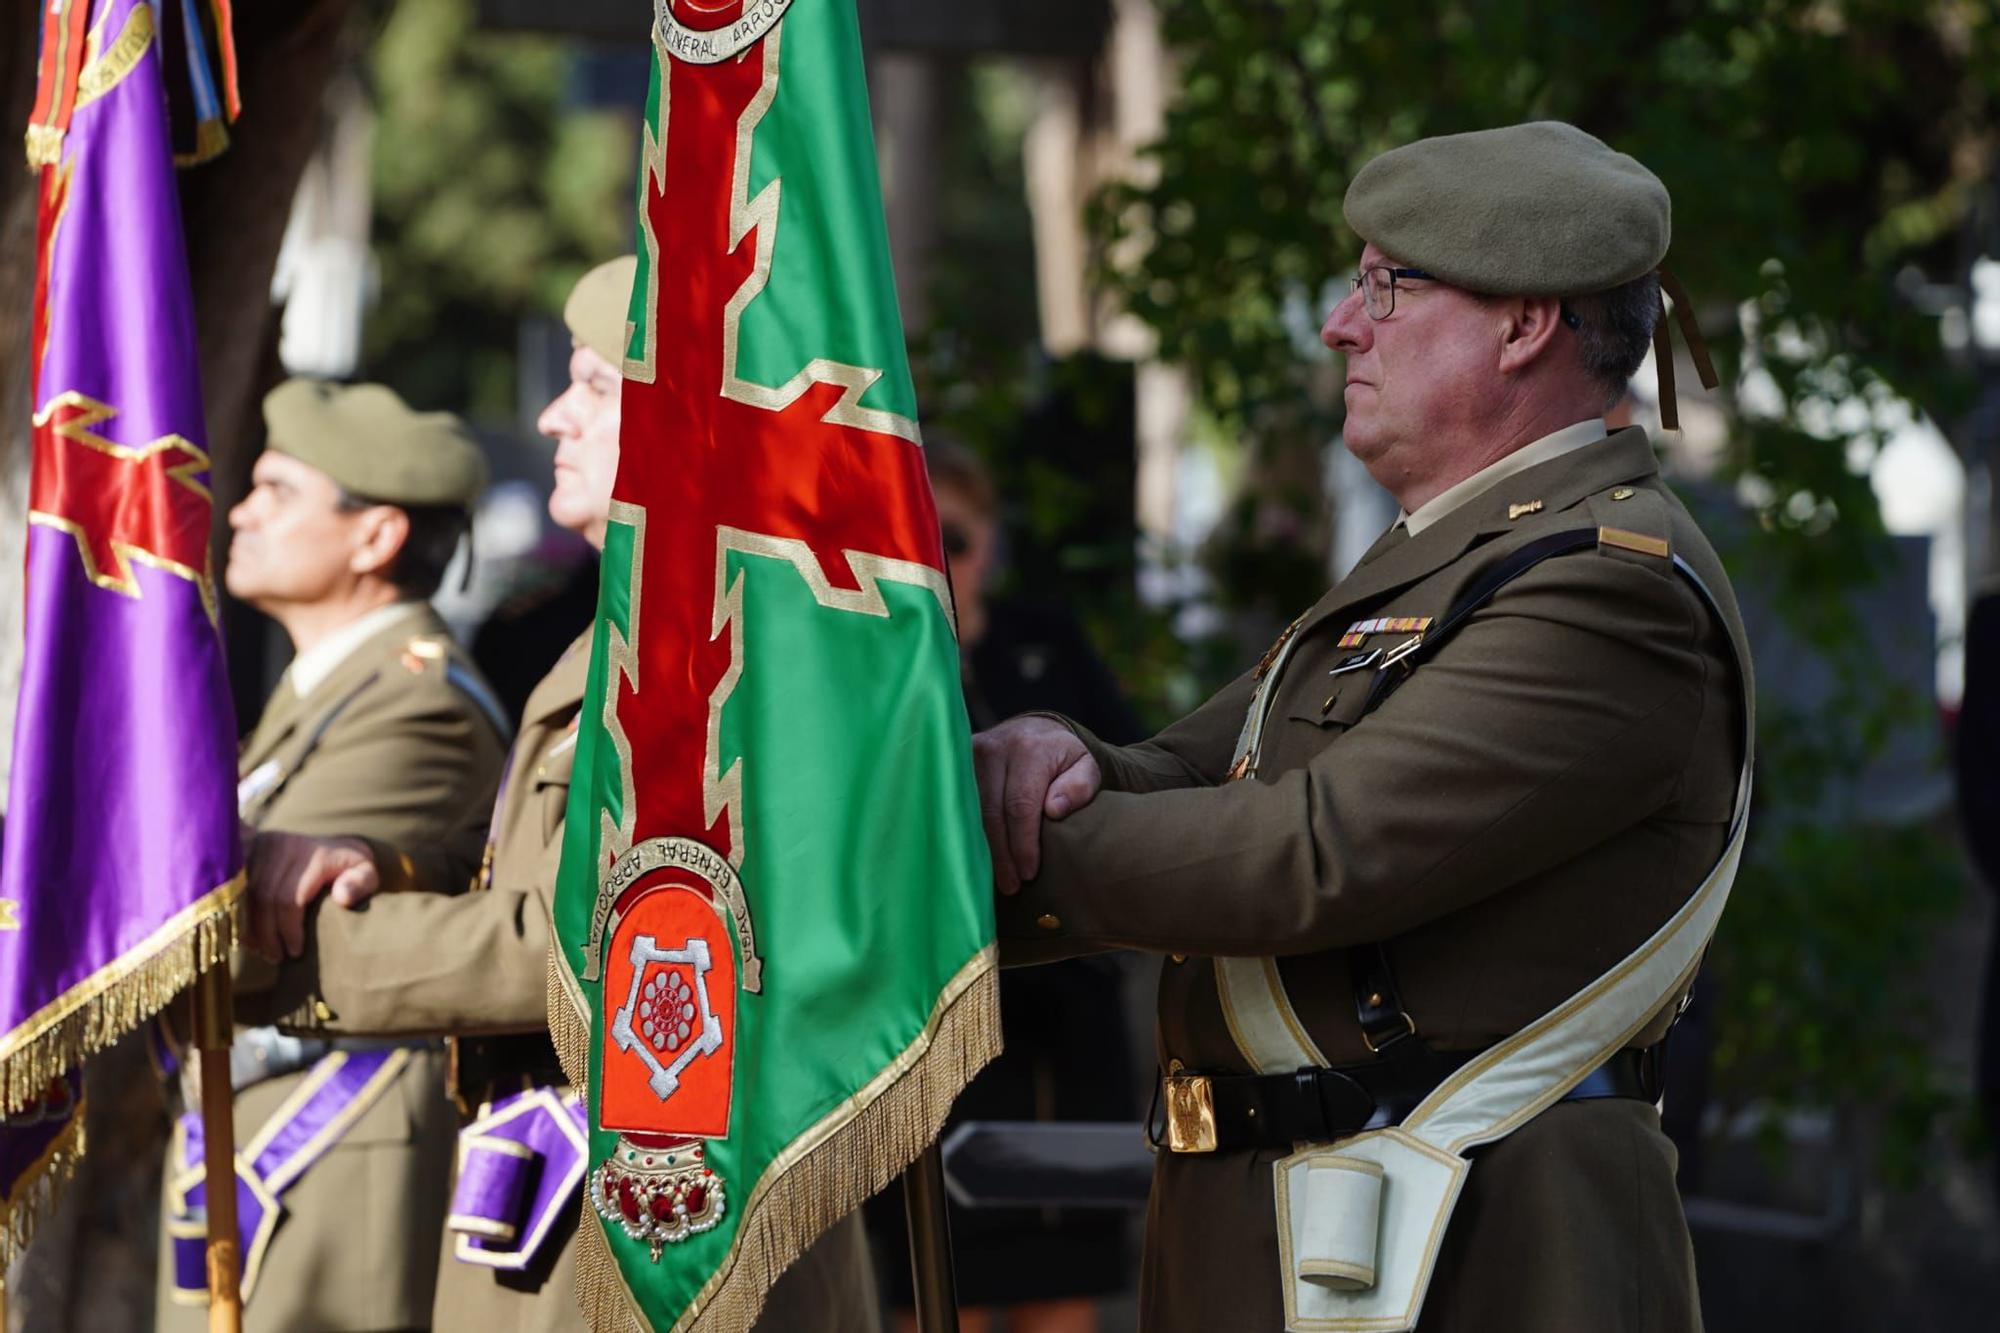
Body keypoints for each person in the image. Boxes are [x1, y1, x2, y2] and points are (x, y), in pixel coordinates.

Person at [974, 122, 1752, 1332]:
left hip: (1478, 1250)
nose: (1342, 325)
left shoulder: (1608, 587)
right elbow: (1191, 766)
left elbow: (1306, 853)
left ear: (1520, 324)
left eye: (1386, 285)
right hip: (1313, 1230)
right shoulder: (1442, 556)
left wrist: (934, 869)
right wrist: (1048, 763)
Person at [237, 257, 882, 1333]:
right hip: (572, 1210)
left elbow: (613, 945)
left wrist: (286, 957)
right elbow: (548, 869)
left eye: (591, 384)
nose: (550, 417)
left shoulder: (727, 649)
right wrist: (385, 865)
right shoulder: (638, 627)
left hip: (668, 1241)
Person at [157, 380, 508, 1332]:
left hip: (329, 1161)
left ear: (375, 536)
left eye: (279, 490)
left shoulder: (416, 707)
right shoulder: (324, 693)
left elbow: (240, 939)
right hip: (256, 1139)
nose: (241, 512)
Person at [869, 442, 1143, 1332]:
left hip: (1057, 1030)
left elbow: (1128, 764)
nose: (941, 560)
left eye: (956, 538)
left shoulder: (1043, 637)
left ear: (989, 545)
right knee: (924, 1284)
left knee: (1058, 1287)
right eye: (918, 538)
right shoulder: (872, 658)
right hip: (930, 1021)